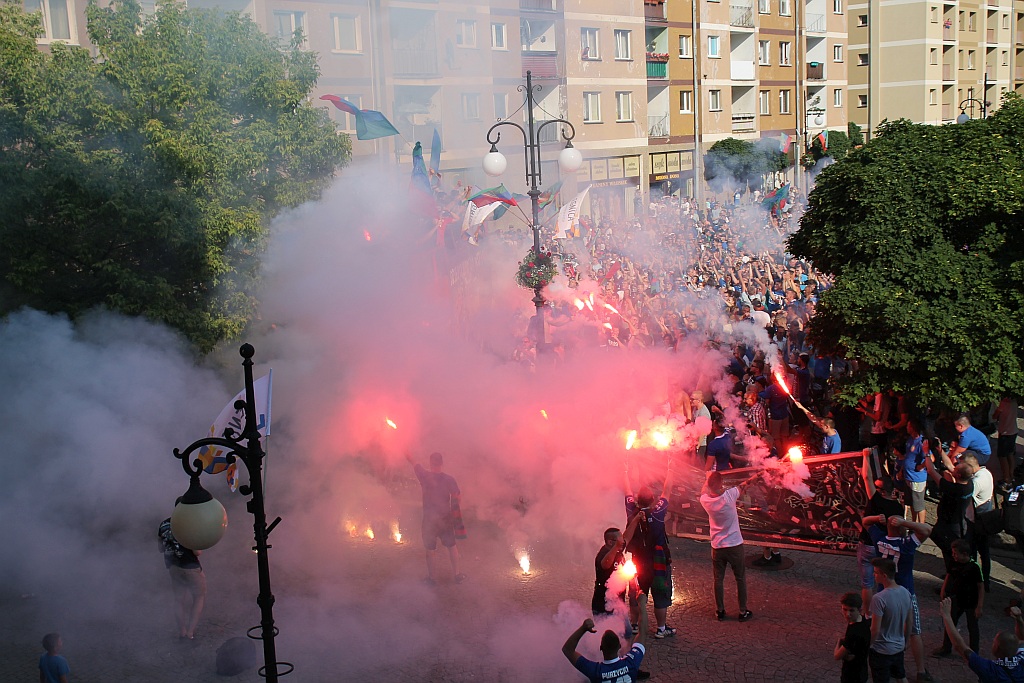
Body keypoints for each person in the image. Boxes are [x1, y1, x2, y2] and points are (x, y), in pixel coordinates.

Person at [874, 516, 934, 683]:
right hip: (906, 593)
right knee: (915, 632)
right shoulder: (906, 544)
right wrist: (905, 523)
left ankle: (884, 661)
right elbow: (927, 529)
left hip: (884, 592)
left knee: (883, 628)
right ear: (901, 529)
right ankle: (921, 671)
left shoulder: (879, 540)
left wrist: (880, 520)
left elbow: (866, 522)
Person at [624, 460, 677, 638]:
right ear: (653, 500)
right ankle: (661, 629)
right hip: (658, 562)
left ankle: (634, 625)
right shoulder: (658, 512)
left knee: (637, 592)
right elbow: (667, 491)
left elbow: (627, 491)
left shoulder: (631, 510)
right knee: (661, 593)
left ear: (637, 500)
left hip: (638, 561)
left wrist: (625, 470)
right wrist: (670, 469)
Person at [699, 470, 755, 622]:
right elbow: (745, 484)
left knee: (718, 579)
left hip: (717, 546)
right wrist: (757, 475)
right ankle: (743, 611)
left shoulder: (705, 500)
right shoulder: (730, 495)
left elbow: (704, 490)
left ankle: (720, 611)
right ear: (721, 484)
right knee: (740, 578)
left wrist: (707, 478)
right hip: (735, 544)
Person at [857, 450, 905, 615]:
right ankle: (880, 611)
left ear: (882, 490)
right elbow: (900, 530)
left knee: (867, 583)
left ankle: (868, 613)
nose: (874, 488)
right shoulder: (898, 507)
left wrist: (865, 456)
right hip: (884, 547)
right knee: (882, 581)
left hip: (867, 545)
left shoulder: (875, 498)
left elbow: (866, 477)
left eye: (877, 487)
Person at [406, 451, 464, 584]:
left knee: (430, 549)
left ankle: (432, 578)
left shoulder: (424, 476)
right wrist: (454, 510)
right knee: (452, 546)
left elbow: (413, 461)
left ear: (430, 463)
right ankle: (457, 575)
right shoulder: (449, 479)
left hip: (429, 519)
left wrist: (406, 450)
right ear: (442, 463)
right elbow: (458, 498)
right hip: (445, 518)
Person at [563, 593, 649, 683]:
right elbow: (642, 632)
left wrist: (583, 628)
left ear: (601, 648)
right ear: (620, 646)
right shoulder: (632, 662)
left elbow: (567, 650)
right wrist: (642, 604)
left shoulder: (594, 670)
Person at [939, 597, 1024, 682]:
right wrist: (1019, 619)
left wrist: (946, 616)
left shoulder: (990, 669)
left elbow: (959, 646)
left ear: (997, 648)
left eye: (994, 642)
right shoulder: (1022, 661)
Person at [924, 454, 974, 575]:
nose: (952, 469)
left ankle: (952, 576)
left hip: (949, 526)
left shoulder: (953, 489)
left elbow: (931, 471)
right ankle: (951, 573)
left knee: (949, 550)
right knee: (948, 549)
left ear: (958, 475)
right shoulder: (969, 484)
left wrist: (926, 454)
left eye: (955, 470)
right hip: (957, 523)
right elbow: (951, 466)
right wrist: (940, 451)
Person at [159, 513, 206, 639]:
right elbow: (197, 552)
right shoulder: (189, 525)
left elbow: (160, 548)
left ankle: (182, 632)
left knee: (179, 600)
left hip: (173, 567)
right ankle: (190, 633)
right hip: (190, 568)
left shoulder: (164, 524)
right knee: (198, 597)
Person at [933, 538, 984, 656]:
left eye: (956, 554)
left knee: (973, 627)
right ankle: (946, 648)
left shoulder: (974, 567)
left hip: (971, 601)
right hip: (956, 599)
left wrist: (979, 606)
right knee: (950, 623)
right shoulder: (953, 562)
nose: (953, 556)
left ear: (965, 554)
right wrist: (943, 589)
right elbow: (949, 575)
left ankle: (974, 652)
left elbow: (981, 586)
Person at [868, 558, 914, 683]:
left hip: (881, 649)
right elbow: (909, 621)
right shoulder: (906, 593)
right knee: (901, 676)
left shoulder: (879, 599)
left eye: (876, 572)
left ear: (884, 575)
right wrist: (906, 641)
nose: (874, 575)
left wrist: (867, 645)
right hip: (898, 647)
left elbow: (875, 629)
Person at [963, 451, 994, 591]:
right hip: (986, 519)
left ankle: (976, 581)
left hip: (977, 521)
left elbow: (966, 497)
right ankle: (985, 580)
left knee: (974, 551)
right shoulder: (987, 473)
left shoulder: (976, 482)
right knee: (985, 552)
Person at [897, 420, 929, 524]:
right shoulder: (910, 439)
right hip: (908, 476)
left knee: (918, 505)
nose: (906, 427)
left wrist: (921, 466)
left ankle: (921, 526)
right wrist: (902, 470)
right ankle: (914, 524)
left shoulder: (922, 442)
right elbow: (907, 456)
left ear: (913, 428)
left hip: (917, 478)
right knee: (911, 503)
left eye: (908, 426)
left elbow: (930, 458)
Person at [836, 592, 872, 683]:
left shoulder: (854, 632)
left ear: (859, 610)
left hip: (851, 676)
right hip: (862, 672)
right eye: (844, 609)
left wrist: (838, 643)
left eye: (851, 610)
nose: (847, 614)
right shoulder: (863, 622)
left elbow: (837, 655)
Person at [993, 397, 1020, 488]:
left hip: (1005, 432)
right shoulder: (1014, 401)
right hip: (1013, 431)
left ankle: (1006, 478)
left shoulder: (1004, 403)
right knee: (1010, 454)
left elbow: (995, 416)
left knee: (1002, 456)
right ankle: (1011, 475)